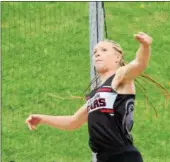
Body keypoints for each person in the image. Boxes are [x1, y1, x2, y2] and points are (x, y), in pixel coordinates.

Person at [25, 32, 153, 162]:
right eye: (95, 52)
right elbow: (72, 122)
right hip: (103, 158)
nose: (97, 54)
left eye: (104, 50)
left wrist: (145, 46)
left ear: (117, 57)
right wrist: (42, 118)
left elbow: (138, 64)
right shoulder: (96, 95)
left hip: (123, 156)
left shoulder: (120, 77)